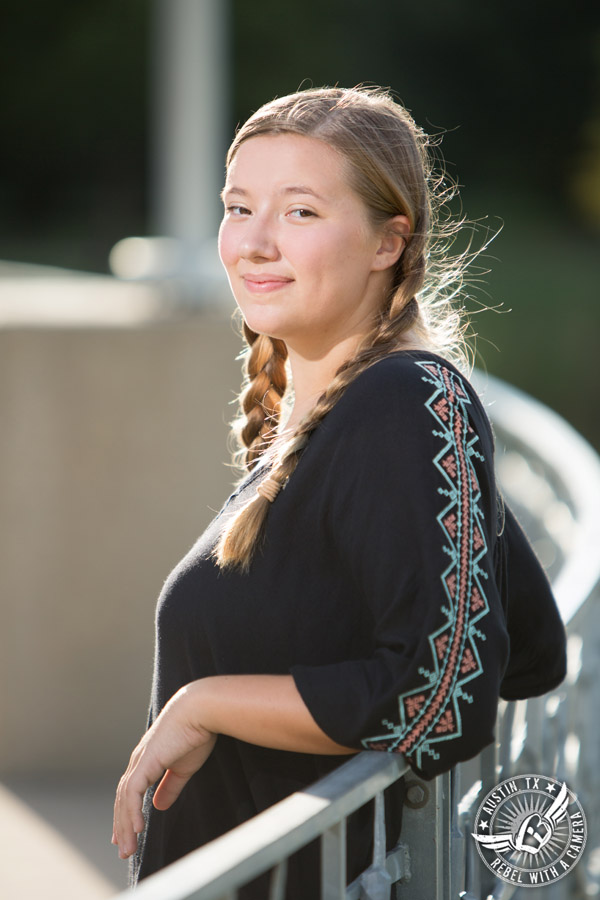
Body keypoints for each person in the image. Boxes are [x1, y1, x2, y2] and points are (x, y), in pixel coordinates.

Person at [112, 86, 566, 897]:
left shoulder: (404, 404)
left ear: (389, 241)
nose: (252, 243)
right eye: (238, 206)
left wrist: (208, 702)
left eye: (301, 213)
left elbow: (445, 692)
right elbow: (523, 641)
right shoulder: (328, 419)